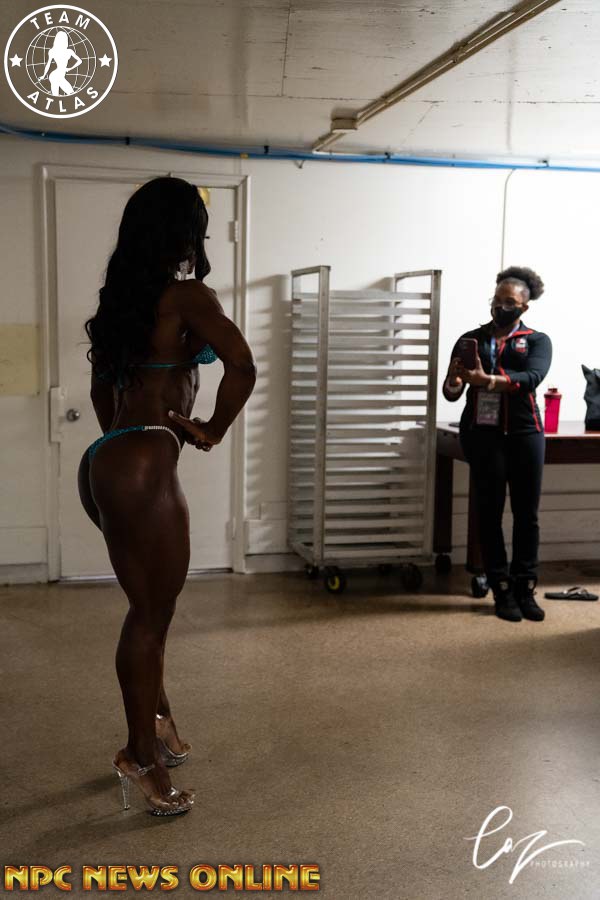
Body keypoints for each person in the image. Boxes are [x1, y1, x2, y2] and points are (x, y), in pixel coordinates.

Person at [77, 177, 257, 816]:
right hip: (144, 457)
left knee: (149, 609)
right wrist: (211, 429)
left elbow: (102, 392)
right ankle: (140, 757)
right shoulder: (186, 296)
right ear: (185, 233)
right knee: (150, 617)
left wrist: (123, 451)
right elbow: (242, 366)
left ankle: (159, 725)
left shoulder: (121, 301)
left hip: (105, 459)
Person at [442, 266, 552, 623]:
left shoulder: (537, 341)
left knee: (526, 515)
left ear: (524, 306)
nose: (500, 306)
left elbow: (530, 378)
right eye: (497, 299)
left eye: (509, 302)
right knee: (489, 513)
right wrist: (456, 380)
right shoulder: (470, 339)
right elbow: (451, 391)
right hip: (483, 435)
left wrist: (487, 380)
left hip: (525, 434)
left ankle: (525, 587)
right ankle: (501, 589)